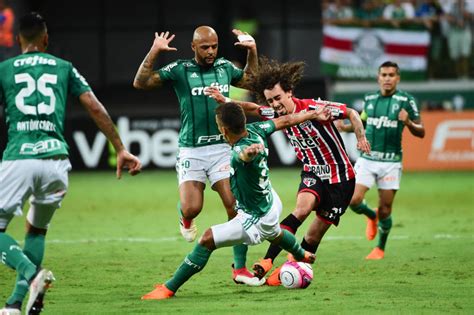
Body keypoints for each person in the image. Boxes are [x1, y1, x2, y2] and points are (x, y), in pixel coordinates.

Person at [0, 12, 142, 314]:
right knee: (36, 230)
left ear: (16, 39)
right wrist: (120, 148)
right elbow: (94, 106)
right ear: (46, 38)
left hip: (20, 156)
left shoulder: (5, 69)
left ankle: (31, 273)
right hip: (56, 161)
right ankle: (14, 304)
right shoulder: (64, 67)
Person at [140, 102, 333, 300]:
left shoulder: (238, 152)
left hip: (255, 216)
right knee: (275, 233)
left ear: (223, 130)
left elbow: (243, 156)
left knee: (207, 239)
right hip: (271, 201)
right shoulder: (257, 128)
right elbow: (285, 120)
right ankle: (301, 254)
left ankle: (168, 289)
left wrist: (249, 154)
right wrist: (311, 114)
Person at [205, 56, 370, 285]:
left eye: (278, 98)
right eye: (270, 100)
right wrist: (226, 100)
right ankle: (267, 261)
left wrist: (360, 137)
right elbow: (253, 108)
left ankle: (292, 269)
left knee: (312, 236)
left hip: (340, 179)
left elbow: (351, 112)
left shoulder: (314, 107)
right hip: (313, 172)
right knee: (301, 210)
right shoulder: (277, 114)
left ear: (289, 92)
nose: (274, 104)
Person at [133, 26, 263, 285]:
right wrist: (154, 51)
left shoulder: (225, 67)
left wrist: (252, 51)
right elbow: (141, 82)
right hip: (191, 149)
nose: (211, 52)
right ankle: (185, 216)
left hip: (221, 149)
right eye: (205, 47)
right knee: (194, 206)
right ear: (193, 47)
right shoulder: (180, 70)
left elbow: (252, 81)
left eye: (214, 46)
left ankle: (239, 269)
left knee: (236, 206)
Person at [337, 61, 425, 260]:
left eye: (391, 75)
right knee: (353, 200)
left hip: (391, 162)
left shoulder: (406, 101)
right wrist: (346, 127)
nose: (387, 78)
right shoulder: (369, 100)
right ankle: (371, 215)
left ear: (397, 78)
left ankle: (380, 248)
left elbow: (422, 132)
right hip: (367, 159)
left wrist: (409, 122)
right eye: (383, 75)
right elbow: (364, 120)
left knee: (386, 209)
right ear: (378, 77)